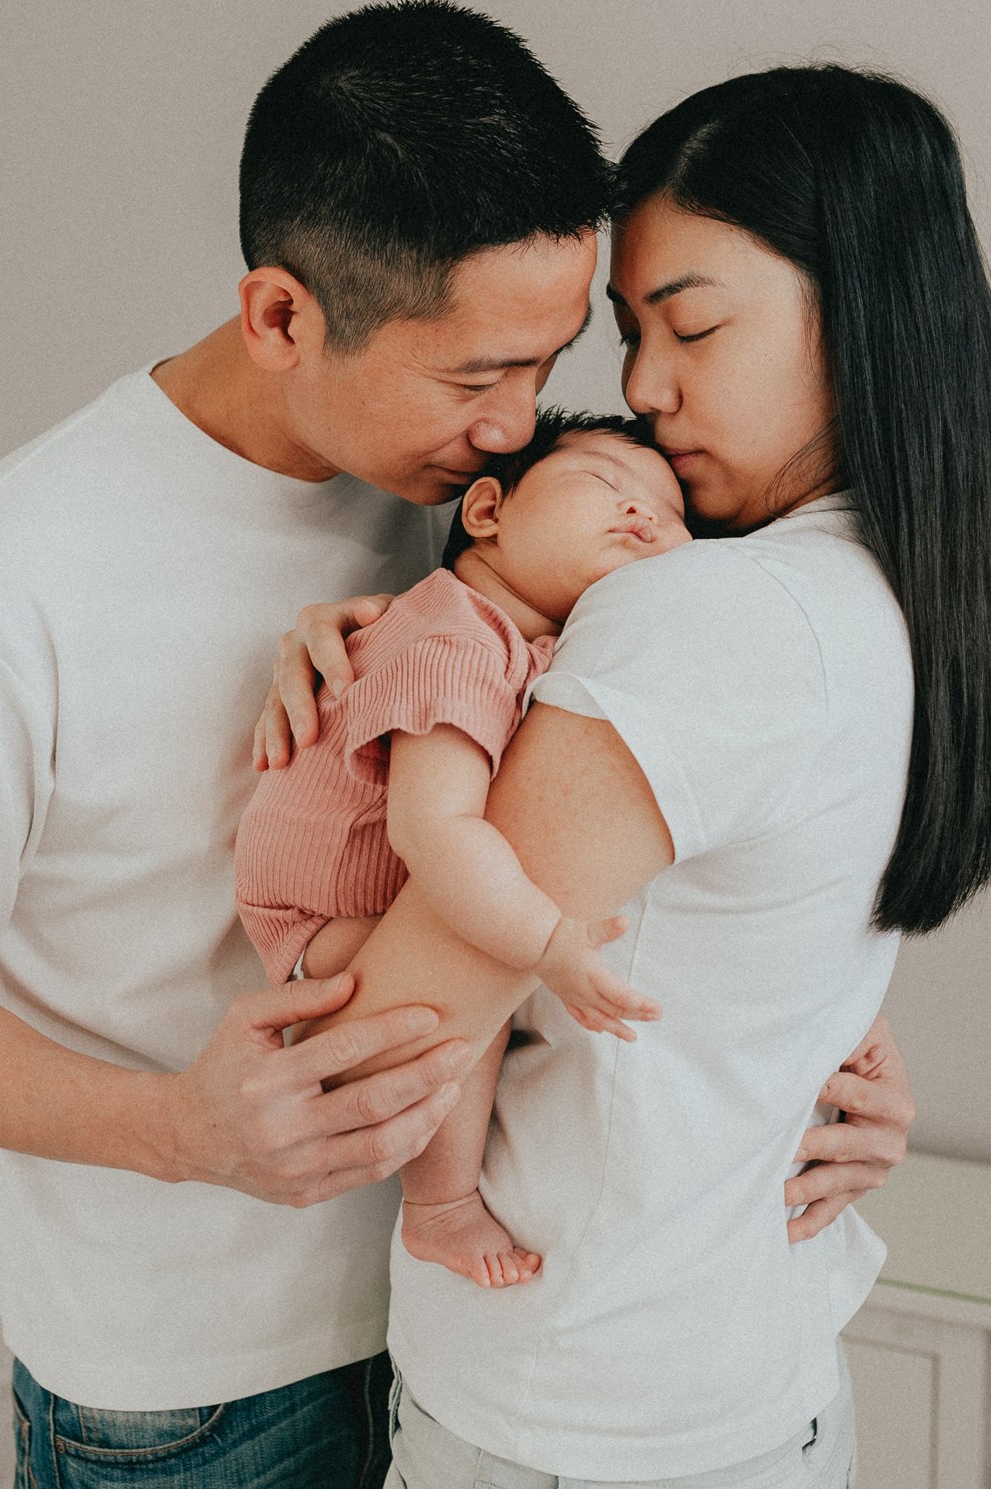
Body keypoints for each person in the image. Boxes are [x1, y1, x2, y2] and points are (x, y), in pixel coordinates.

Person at [0, 3, 916, 1489]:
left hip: (471, 1330)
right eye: (478, 373)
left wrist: (831, 1048)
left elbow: (705, 781)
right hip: (191, 1395)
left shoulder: (480, 503)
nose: (520, 420)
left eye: (548, 361)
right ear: (279, 313)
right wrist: (178, 1130)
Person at [271, 65, 991, 1489]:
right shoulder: (915, 604)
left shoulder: (712, 616)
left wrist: (335, 745)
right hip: (742, 1405)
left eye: (692, 326)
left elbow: (386, 1036)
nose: (642, 388)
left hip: (573, 1451)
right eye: (634, 337)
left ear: (864, 310)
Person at [239, 409, 692, 1288]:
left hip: (373, 898)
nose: (641, 514)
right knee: (468, 1003)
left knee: (482, 968)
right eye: (603, 483)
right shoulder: (456, 638)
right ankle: (440, 1208)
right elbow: (431, 827)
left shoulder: (531, 642)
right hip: (321, 918)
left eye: (670, 515)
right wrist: (544, 942)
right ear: (485, 511)